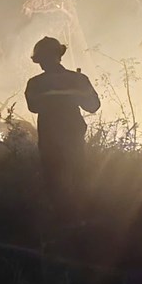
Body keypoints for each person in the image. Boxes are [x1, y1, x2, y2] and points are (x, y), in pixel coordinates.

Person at [24, 37, 100, 212]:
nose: (42, 64)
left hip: (53, 140)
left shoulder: (36, 83)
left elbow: (33, 106)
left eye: (42, 59)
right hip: (70, 139)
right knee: (77, 182)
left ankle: (66, 220)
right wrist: (72, 91)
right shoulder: (77, 79)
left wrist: (60, 92)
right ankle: (79, 220)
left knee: (56, 185)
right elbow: (93, 106)